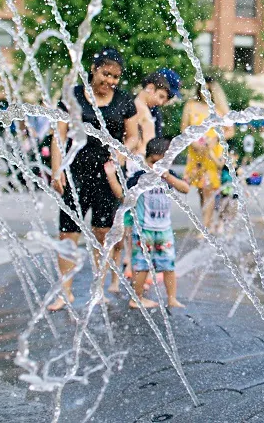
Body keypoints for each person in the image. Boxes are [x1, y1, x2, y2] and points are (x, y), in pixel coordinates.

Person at [48, 48, 139, 311]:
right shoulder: (73, 96)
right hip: (75, 172)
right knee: (68, 233)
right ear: (93, 69)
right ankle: (65, 292)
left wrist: (120, 154)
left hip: (107, 175)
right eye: (105, 74)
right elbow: (59, 134)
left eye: (115, 76)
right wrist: (57, 169)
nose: (110, 80)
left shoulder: (124, 100)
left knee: (103, 232)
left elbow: (133, 136)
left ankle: (98, 289)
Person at [104, 138, 190, 308]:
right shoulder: (140, 177)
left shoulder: (169, 176)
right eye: (153, 162)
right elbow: (123, 197)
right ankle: (137, 298)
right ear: (146, 159)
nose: (156, 167)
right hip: (144, 230)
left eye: (161, 163)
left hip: (164, 229)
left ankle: (171, 299)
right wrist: (111, 177)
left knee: (169, 265)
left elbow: (185, 188)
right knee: (141, 266)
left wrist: (166, 175)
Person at [108, 72, 174, 292]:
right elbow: (135, 140)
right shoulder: (136, 108)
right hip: (135, 170)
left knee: (133, 223)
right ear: (150, 88)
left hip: (140, 168)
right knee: (128, 223)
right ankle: (129, 269)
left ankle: (132, 269)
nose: (161, 102)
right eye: (161, 96)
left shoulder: (145, 109)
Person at [181, 76, 232, 229]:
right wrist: (193, 142)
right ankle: (207, 222)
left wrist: (216, 138)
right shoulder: (191, 105)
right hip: (196, 153)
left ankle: (205, 226)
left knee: (208, 189)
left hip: (212, 154)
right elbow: (184, 128)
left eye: (209, 90)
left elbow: (230, 131)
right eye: (204, 90)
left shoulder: (219, 109)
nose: (206, 93)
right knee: (201, 190)